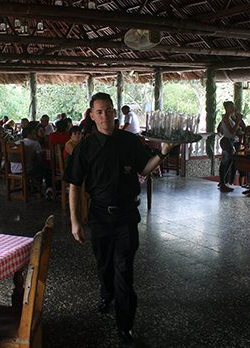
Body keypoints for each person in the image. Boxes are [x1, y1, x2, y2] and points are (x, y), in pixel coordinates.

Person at [64, 92, 173, 343]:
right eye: (99, 112)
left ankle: (125, 325)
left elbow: (145, 169)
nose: (105, 116)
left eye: (109, 110)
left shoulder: (129, 141)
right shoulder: (86, 148)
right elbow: (75, 185)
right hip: (100, 217)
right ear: (92, 116)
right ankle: (106, 292)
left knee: (124, 269)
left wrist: (163, 153)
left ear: (115, 113)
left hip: (126, 216)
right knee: (104, 265)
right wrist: (75, 221)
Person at [217, 101, 244, 192]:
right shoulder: (225, 118)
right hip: (227, 141)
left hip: (231, 141)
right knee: (225, 162)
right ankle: (222, 183)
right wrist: (237, 122)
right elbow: (231, 131)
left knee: (228, 162)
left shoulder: (230, 118)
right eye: (231, 107)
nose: (233, 109)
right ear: (227, 108)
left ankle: (224, 182)